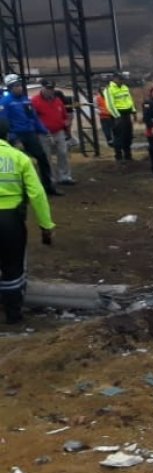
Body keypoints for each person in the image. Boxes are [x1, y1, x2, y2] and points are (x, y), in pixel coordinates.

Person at [0, 116, 55, 324]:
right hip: (10, 219)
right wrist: (46, 225)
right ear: (7, 135)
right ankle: (13, 313)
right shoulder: (20, 158)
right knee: (12, 267)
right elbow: (37, 194)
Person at [1, 74, 60, 196]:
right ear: (11, 87)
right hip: (17, 136)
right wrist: (14, 139)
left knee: (42, 159)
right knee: (20, 163)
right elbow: (4, 123)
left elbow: (34, 117)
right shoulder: (5, 102)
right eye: (17, 86)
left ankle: (48, 187)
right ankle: (22, 190)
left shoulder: (25, 100)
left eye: (20, 85)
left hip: (30, 134)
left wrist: (44, 130)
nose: (20, 88)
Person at [31, 79, 75, 186]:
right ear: (42, 88)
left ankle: (64, 176)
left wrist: (67, 125)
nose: (50, 91)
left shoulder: (57, 100)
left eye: (51, 89)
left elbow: (65, 115)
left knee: (63, 153)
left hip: (58, 131)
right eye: (48, 88)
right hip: (43, 133)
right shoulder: (35, 101)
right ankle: (50, 178)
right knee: (47, 156)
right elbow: (32, 118)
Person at [103, 72, 136, 161]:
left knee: (128, 135)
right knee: (118, 136)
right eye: (119, 79)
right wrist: (117, 116)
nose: (121, 81)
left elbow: (129, 99)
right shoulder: (109, 89)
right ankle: (118, 156)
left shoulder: (125, 87)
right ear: (114, 79)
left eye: (122, 79)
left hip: (127, 113)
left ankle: (128, 155)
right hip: (118, 115)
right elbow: (110, 104)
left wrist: (133, 110)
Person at [94, 76, 114, 147]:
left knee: (114, 130)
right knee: (107, 132)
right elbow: (95, 107)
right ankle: (110, 142)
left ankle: (114, 141)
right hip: (104, 118)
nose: (103, 90)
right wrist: (100, 112)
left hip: (112, 116)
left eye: (104, 88)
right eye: (102, 89)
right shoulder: (97, 98)